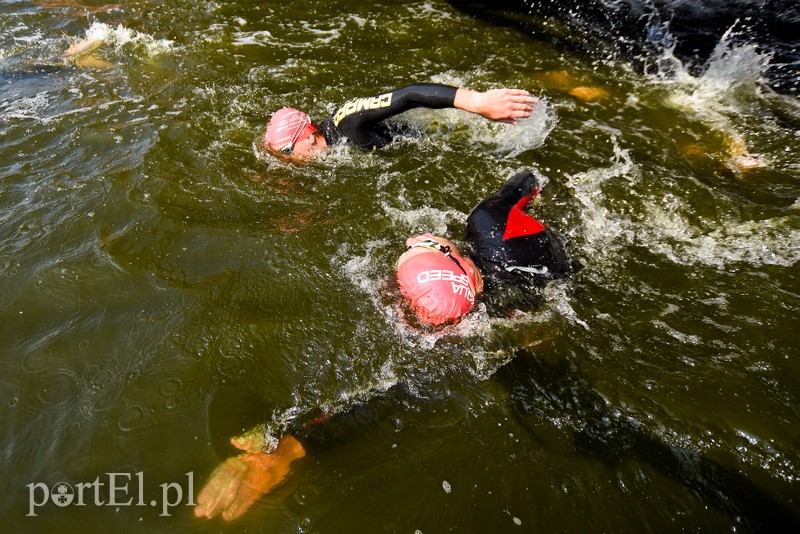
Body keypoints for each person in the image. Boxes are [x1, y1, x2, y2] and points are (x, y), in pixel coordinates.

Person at [194, 169, 570, 520]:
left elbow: (396, 394)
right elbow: (529, 178)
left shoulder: (518, 309)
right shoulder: (484, 218)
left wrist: (287, 449)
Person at [262, 83, 539, 162]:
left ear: (309, 136)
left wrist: (477, 103)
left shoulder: (348, 123)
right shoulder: (331, 143)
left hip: (431, 141)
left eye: (287, 152)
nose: (287, 161)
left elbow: (408, 95)